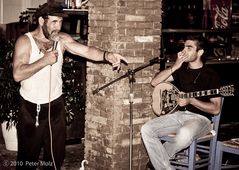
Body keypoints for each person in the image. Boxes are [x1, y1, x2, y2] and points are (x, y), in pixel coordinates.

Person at [12, 2, 127, 170]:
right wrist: (44, 61)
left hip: (56, 107)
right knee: (27, 159)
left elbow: (87, 51)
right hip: (31, 109)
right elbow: (17, 74)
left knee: (55, 158)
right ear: (41, 21)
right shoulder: (25, 41)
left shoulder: (62, 39)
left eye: (60, 22)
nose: (58, 27)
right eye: (54, 22)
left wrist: (107, 55)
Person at [141, 35, 222, 170]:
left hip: (201, 119)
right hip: (178, 115)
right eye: (184, 47)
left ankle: (157, 162)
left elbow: (216, 109)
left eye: (189, 48)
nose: (184, 50)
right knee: (146, 129)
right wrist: (175, 65)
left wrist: (192, 100)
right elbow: (154, 82)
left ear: (200, 52)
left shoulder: (211, 75)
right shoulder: (182, 70)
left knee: (184, 133)